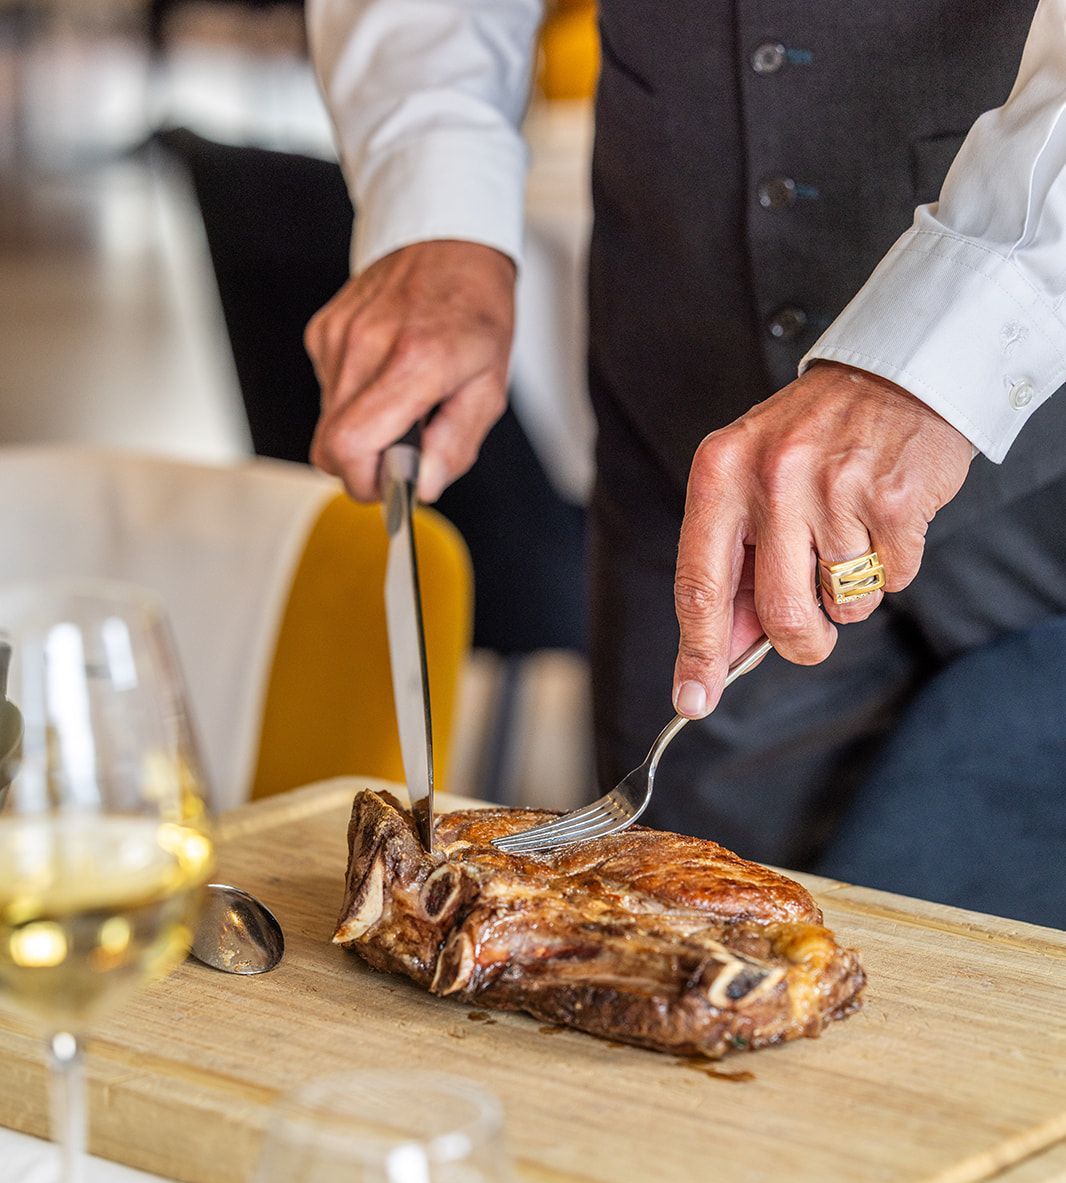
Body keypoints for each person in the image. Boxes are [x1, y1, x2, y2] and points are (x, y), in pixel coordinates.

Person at [302, 0, 1066, 876]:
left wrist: (942, 348)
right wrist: (436, 203)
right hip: (683, 417)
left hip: (1047, 439)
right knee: (672, 926)